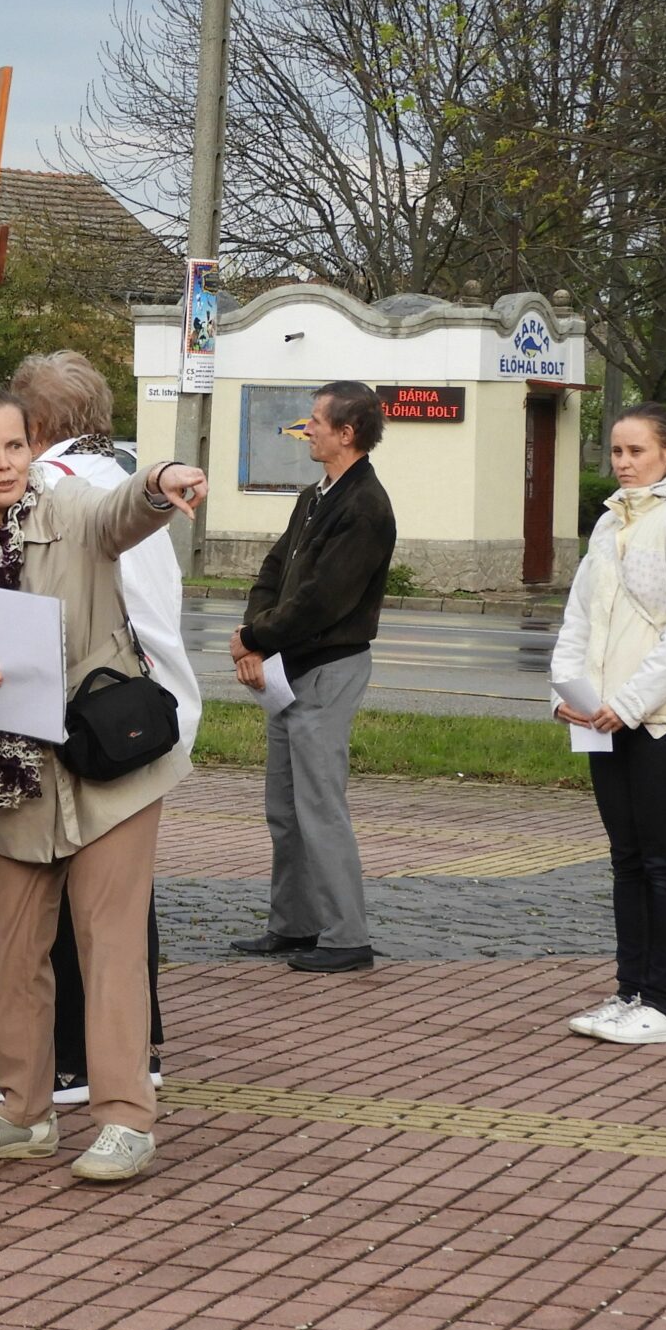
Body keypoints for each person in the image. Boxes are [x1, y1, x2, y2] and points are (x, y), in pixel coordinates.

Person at [0, 388, 207, 1185]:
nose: (5, 463)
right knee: (17, 950)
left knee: (108, 945)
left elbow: (126, 512)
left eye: (15, 446)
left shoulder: (74, 506)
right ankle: (22, 1111)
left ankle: (124, 1120)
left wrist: (160, 481)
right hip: (13, 771)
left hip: (104, 764)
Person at [551, 403, 666, 1046]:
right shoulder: (609, 525)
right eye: (616, 453)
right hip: (604, 718)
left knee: (664, 863)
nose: (623, 463)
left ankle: (663, 1005)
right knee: (626, 861)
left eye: (636, 452)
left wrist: (629, 703)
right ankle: (629, 991)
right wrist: (565, 690)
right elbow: (579, 616)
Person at [227, 379, 396, 974]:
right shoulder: (318, 494)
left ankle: (347, 935)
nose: (308, 429)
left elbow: (324, 601)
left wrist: (256, 637)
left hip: (328, 669)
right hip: (287, 668)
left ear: (346, 433)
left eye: (316, 421)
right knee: (285, 807)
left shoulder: (365, 507)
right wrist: (253, 637)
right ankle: (294, 924)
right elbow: (274, 570)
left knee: (320, 806)